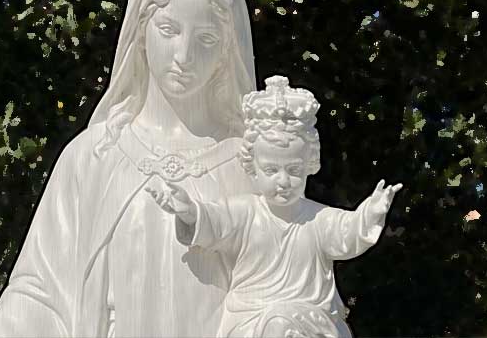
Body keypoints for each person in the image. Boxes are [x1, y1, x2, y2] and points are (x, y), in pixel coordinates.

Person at [0, 0, 266, 337]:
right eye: (169, 30)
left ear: (228, 51)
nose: (183, 56)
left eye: (207, 39)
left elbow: (285, 290)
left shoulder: (253, 168)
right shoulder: (93, 159)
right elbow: (40, 292)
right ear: (140, 30)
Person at [147, 76, 403, 338]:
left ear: (309, 167)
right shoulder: (246, 213)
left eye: (294, 170)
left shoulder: (318, 219)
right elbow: (213, 219)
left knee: (285, 324)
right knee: (278, 324)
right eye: (271, 170)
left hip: (312, 321)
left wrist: (370, 213)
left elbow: (348, 232)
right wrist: (189, 210)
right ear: (253, 169)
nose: (283, 181)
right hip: (251, 321)